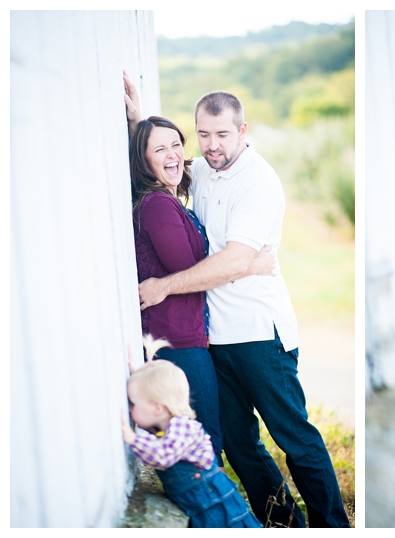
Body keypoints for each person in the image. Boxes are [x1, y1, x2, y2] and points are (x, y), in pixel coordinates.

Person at [124, 74, 350, 528]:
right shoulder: (203, 168)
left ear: (242, 131)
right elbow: (160, 159)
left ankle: (332, 525)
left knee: (295, 438)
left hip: (258, 334)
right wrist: (136, 121)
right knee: (239, 445)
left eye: (222, 134)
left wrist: (167, 285)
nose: (211, 145)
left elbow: (233, 261)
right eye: (203, 134)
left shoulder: (258, 182)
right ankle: (282, 522)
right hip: (214, 339)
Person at [128, 113, 275, 465]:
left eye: (177, 145)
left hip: (185, 339)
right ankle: (215, 512)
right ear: (143, 159)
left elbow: (174, 158)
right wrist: (249, 264)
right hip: (179, 343)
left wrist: (137, 120)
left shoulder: (168, 197)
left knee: (199, 437)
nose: (173, 154)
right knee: (205, 440)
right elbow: (188, 271)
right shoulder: (160, 205)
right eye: (159, 149)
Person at [121, 338, 263, 528]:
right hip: (199, 505)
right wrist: (138, 376)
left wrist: (132, 438)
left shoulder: (182, 428)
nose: (129, 409)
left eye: (133, 403)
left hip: (215, 508)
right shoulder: (166, 425)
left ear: (157, 408)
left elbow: (162, 455)